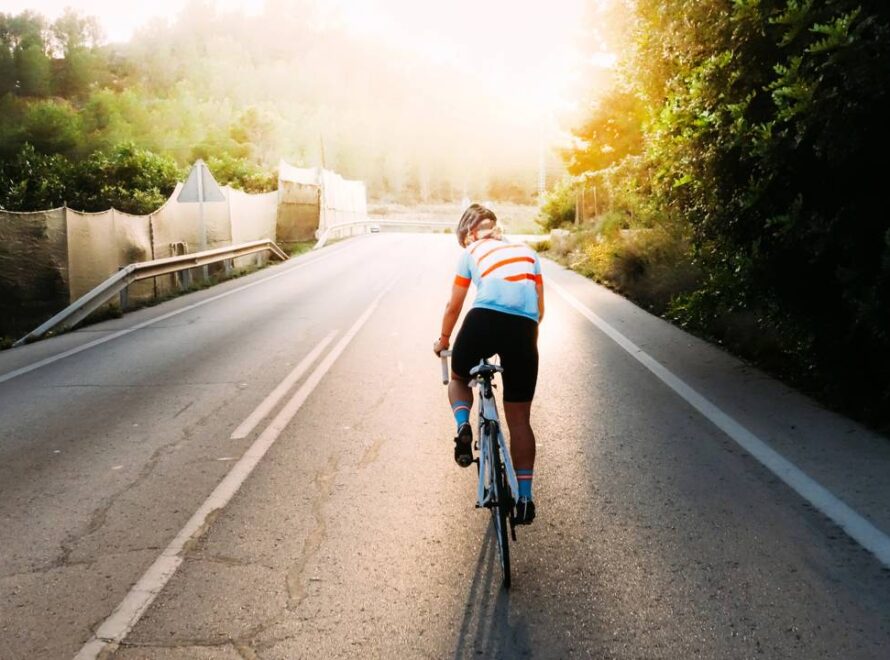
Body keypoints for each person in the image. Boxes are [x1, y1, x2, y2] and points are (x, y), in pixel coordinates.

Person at [433, 203, 544, 525]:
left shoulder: (471, 251)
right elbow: (539, 308)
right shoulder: (528, 252)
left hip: (482, 320)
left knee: (458, 377)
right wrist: (523, 339)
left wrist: (443, 340)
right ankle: (524, 498)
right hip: (525, 329)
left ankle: (463, 425)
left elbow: (454, 304)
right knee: (520, 420)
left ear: (468, 234)